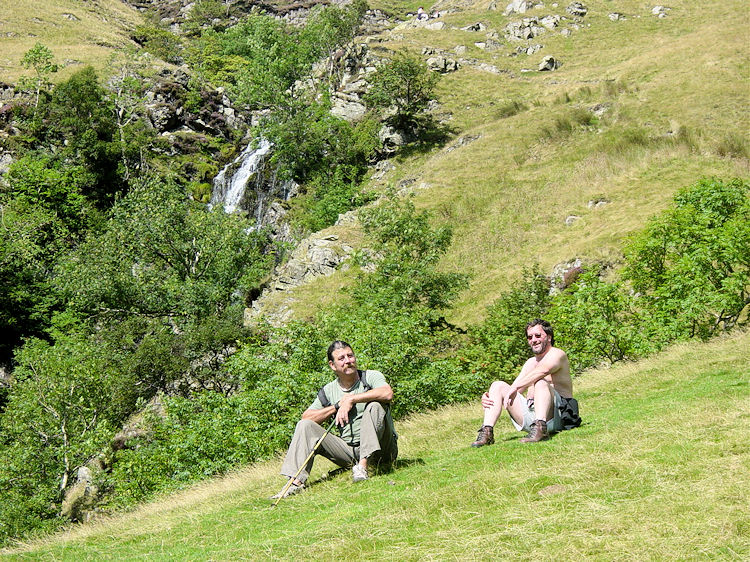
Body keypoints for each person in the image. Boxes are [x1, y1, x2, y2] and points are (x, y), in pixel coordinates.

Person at [272, 341, 398, 499]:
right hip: (348, 451)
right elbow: (307, 416)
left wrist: (352, 399)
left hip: (382, 448)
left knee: (375, 405)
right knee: (305, 426)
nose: (348, 361)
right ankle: (295, 482)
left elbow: (387, 393)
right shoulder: (328, 390)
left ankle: (363, 467)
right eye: (342, 358)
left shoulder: (370, 376)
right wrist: (338, 406)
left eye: (350, 356)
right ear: (332, 365)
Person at [470, 319, 581, 446]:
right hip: (531, 416)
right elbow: (513, 390)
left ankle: (541, 428)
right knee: (497, 385)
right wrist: (491, 397)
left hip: (559, 416)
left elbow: (543, 371)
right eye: (530, 337)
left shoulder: (557, 354)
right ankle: (487, 432)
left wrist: (515, 387)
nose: (534, 340)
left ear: (549, 337)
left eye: (538, 335)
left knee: (540, 382)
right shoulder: (530, 362)